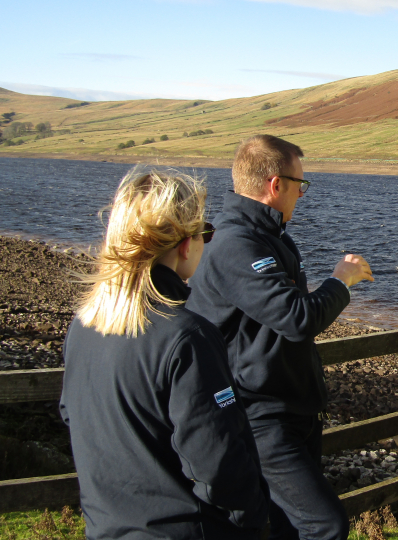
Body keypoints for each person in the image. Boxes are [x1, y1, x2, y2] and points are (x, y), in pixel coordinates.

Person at [60, 167, 270, 539]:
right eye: (205, 231)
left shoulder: (84, 324)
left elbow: (73, 416)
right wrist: (253, 520)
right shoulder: (187, 337)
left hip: (106, 527)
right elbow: (218, 461)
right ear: (185, 244)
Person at [186, 135, 374, 540]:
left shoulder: (269, 236)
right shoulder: (237, 244)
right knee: (325, 524)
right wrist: (341, 281)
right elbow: (297, 317)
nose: (301, 195)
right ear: (275, 184)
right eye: (299, 185)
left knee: (289, 526)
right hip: (261, 416)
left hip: (293, 409)